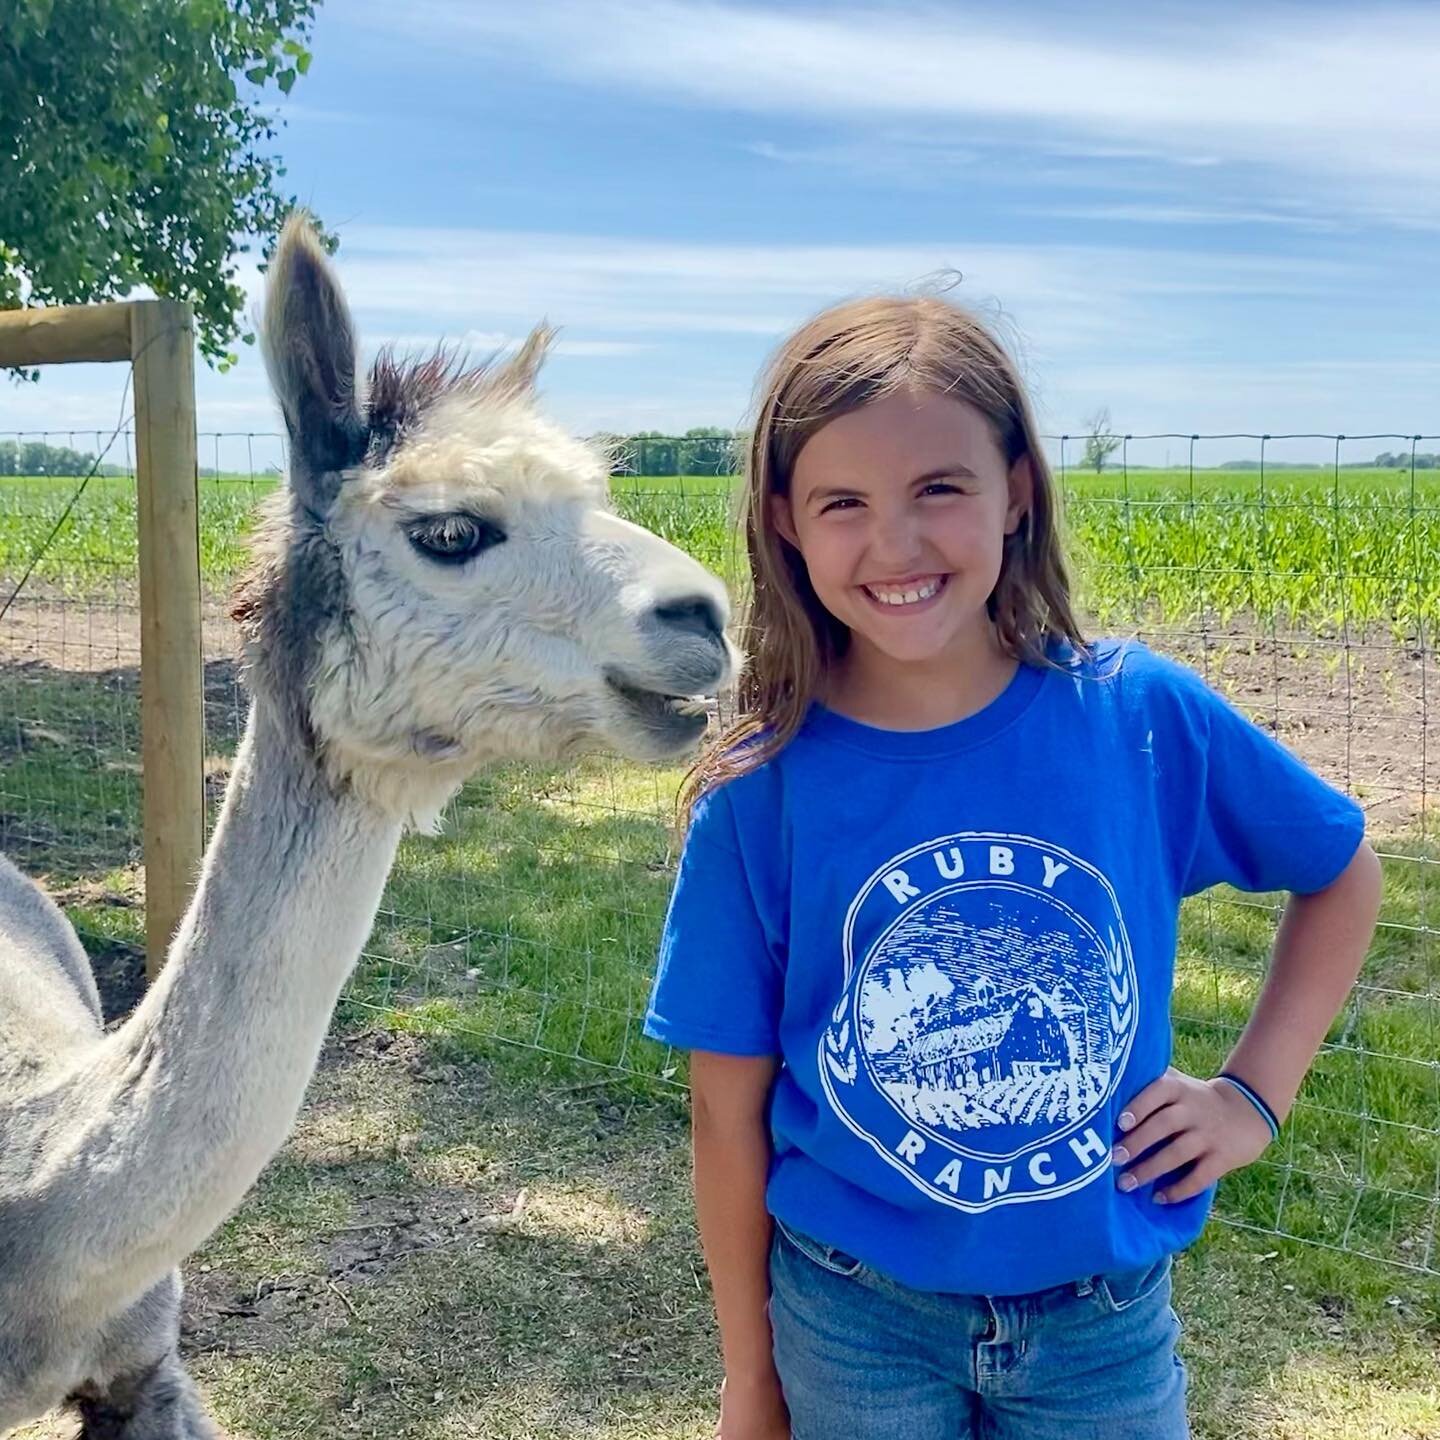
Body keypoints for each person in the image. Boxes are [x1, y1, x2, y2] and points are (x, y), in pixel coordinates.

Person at [643, 295, 1383, 1440]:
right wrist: (751, 1376)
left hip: (1102, 1326)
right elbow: (723, 1111)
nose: (896, 545)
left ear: (1018, 489)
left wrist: (1252, 1094)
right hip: (851, 1320)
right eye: (845, 503)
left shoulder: (1137, 717)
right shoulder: (766, 787)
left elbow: (1341, 871)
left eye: (940, 488)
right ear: (786, 522)